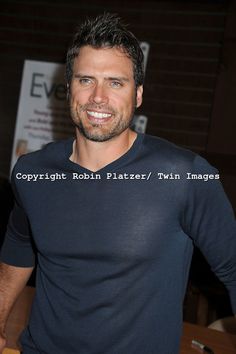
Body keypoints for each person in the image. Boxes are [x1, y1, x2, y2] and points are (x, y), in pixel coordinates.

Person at [0, 13, 235, 354]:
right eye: (86, 80)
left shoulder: (186, 175)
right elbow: (17, 253)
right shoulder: (33, 173)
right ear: (68, 89)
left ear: (138, 94)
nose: (98, 96)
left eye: (115, 82)